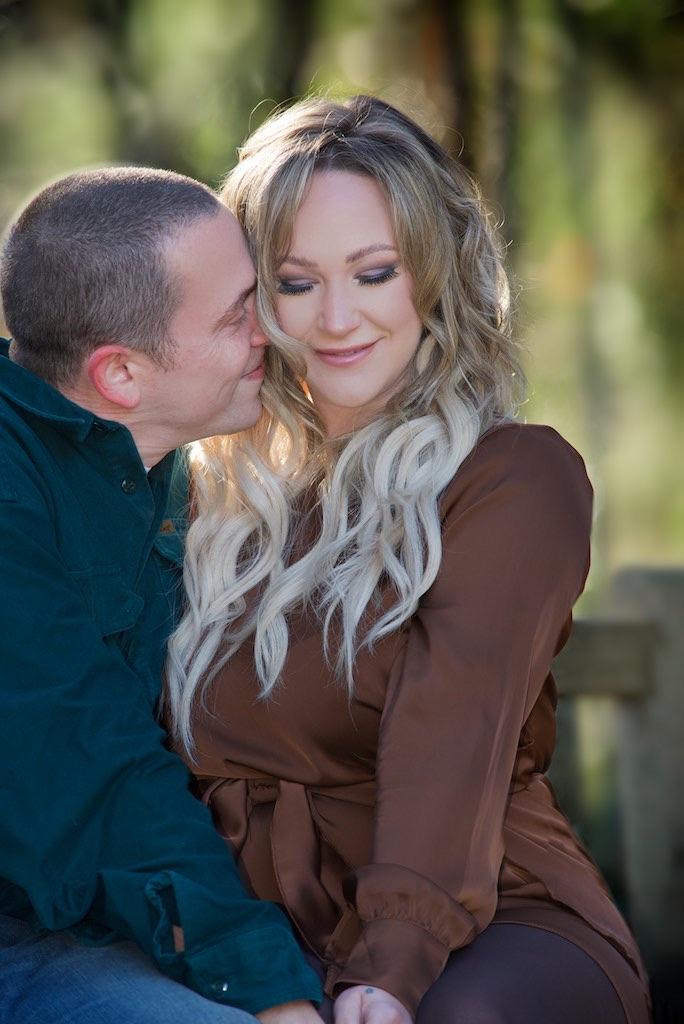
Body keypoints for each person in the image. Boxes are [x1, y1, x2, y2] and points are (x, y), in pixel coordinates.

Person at [166, 96, 653, 1024]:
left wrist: (393, 963)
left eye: (375, 272)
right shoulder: (209, 496)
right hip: (254, 933)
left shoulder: (510, 479)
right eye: (296, 282)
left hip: (481, 920)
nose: (336, 318)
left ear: (434, 273)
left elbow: (453, 732)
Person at [0, 167, 324, 1024]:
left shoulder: (172, 479)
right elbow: (90, 771)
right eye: (236, 315)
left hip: (98, 926)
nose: (271, 330)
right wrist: (274, 991)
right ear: (122, 375)